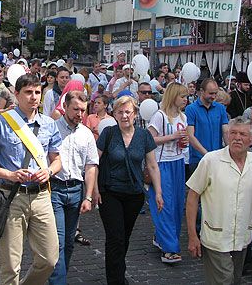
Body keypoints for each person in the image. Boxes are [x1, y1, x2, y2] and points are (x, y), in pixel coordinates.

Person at [0, 74, 62, 285]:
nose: (33, 97)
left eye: (37, 92)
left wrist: (49, 171)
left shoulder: (49, 124)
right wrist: (9, 175)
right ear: (17, 94)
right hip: (12, 197)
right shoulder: (2, 122)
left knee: (49, 259)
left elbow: (57, 160)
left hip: (41, 196)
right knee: (11, 264)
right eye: (28, 92)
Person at [186, 117, 252, 285]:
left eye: (243, 134)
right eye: (233, 133)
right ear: (227, 136)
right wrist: (192, 235)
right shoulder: (211, 160)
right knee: (224, 281)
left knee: (235, 280)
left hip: (242, 237)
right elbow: (192, 197)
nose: (237, 138)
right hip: (216, 237)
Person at [94, 96, 164, 285]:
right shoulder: (108, 133)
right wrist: (94, 190)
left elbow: (152, 166)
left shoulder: (143, 136)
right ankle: (115, 280)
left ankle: (118, 271)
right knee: (115, 238)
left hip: (134, 194)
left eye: (128, 112)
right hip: (110, 192)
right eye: (120, 112)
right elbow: (94, 162)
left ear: (135, 114)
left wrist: (158, 192)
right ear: (114, 114)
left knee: (123, 238)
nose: (124, 116)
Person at [49, 91, 98, 285]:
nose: (79, 114)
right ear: (65, 107)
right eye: (76, 109)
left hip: (76, 191)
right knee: (58, 242)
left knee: (69, 242)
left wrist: (88, 196)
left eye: (83, 110)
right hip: (55, 189)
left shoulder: (86, 134)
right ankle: (58, 282)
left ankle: (60, 276)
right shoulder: (52, 129)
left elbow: (91, 165)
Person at [147, 83, 189, 263]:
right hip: (162, 163)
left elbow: (182, 140)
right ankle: (170, 248)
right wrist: (172, 137)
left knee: (178, 204)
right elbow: (149, 139)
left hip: (178, 162)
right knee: (165, 204)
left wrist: (183, 141)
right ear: (173, 97)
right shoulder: (160, 116)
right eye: (182, 96)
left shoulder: (183, 116)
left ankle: (162, 237)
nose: (185, 100)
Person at [186, 78, 229, 175]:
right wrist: (206, 154)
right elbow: (190, 136)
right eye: (211, 93)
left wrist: (230, 149)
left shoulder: (220, 108)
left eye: (215, 93)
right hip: (198, 159)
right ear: (202, 91)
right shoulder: (191, 109)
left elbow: (225, 132)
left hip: (218, 158)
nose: (213, 96)